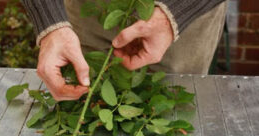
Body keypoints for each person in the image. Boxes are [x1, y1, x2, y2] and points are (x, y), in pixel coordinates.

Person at [20, 0, 226, 101]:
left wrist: (176, 15)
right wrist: (49, 23)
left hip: (183, 12)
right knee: (83, 100)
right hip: (91, 9)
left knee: (172, 111)